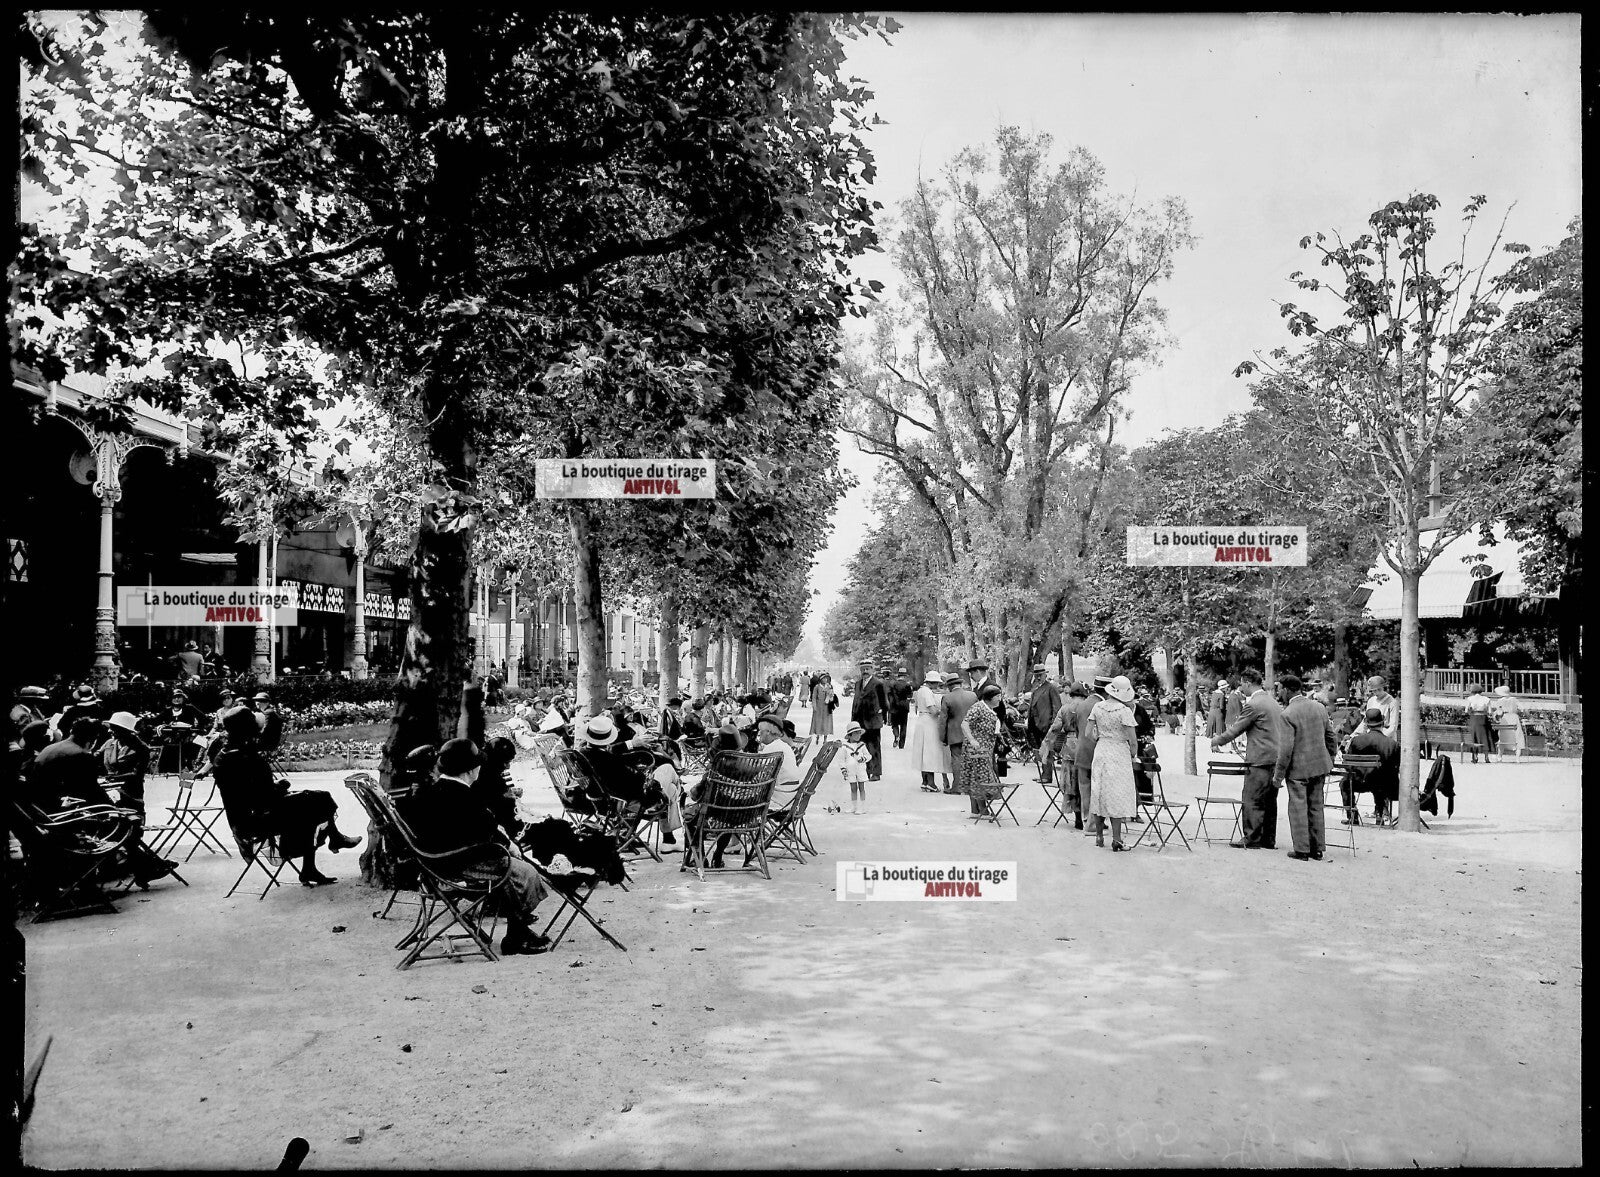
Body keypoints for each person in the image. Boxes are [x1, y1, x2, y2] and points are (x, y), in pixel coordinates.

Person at [399, 737, 553, 956]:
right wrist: (508, 845)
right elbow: (485, 829)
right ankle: (516, 937)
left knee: (513, 869)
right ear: (470, 770)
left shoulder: (438, 790)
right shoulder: (461, 795)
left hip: (438, 860)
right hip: (456, 863)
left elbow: (479, 828)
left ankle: (518, 931)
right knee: (525, 872)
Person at [211, 706, 361, 885]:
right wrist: (282, 786)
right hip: (257, 819)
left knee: (314, 801)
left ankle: (321, 856)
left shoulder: (224, 754)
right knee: (318, 802)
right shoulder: (245, 758)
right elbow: (264, 796)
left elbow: (252, 792)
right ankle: (327, 848)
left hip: (242, 819)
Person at [1209, 667, 1285, 850]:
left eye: (1242, 684)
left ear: (1248, 683)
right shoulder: (1274, 702)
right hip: (1275, 758)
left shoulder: (1254, 705)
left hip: (1259, 758)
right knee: (1270, 800)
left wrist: (1217, 740)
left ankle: (1251, 838)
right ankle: (1268, 838)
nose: (1241, 688)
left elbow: (1237, 729)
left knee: (1252, 798)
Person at [1274, 674, 1337, 861]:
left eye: (1279, 689)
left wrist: (1278, 776)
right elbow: (1331, 737)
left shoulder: (1287, 714)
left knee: (1298, 807)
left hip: (1298, 770)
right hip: (1319, 765)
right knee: (1316, 806)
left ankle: (1302, 849)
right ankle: (1317, 848)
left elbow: (1285, 750)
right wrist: (1330, 759)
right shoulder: (1319, 707)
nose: (1278, 693)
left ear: (1286, 690)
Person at [1087, 676, 1140, 851]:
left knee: (1099, 791)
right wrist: (1132, 754)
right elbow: (1133, 740)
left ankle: (1099, 835)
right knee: (1116, 794)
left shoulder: (1097, 707)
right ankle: (1116, 839)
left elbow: (1089, 733)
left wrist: (1101, 739)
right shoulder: (1124, 711)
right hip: (1119, 752)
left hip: (1102, 749)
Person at [1041, 682, 1089, 830]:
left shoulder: (1065, 708)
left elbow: (1054, 729)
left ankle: (1077, 817)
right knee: (1087, 780)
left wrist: (1046, 746)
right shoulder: (1088, 707)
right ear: (1083, 695)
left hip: (1069, 746)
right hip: (1086, 745)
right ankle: (1091, 817)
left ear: (1070, 694)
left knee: (1071, 783)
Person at [957, 682, 1005, 817]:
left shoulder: (988, 709)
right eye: (998, 696)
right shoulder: (978, 707)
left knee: (976, 777)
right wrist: (972, 740)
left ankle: (976, 810)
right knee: (980, 778)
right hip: (978, 749)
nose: (1000, 699)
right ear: (990, 697)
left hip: (985, 749)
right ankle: (983, 810)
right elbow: (965, 724)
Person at [1346, 707, 1400, 823]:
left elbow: (1349, 766)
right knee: (1380, 778)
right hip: (1384, 786)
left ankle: (1352, 815)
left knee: (1344, 783)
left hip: (1359, 783)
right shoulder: (1393, 744)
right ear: (1383, 722)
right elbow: (1396, 768)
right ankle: (1379, 814)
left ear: (1366, 723)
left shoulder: (1356, 741)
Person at [101, 711, 153, 826]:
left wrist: (112, 778)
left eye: (113, 728)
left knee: (130, 824)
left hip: (130, 793)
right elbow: (95, 759)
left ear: (124, 730)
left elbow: (136, 774)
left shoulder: (141, 748)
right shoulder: (109, 743)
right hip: (108, 790)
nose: (109, 731)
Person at [908, 670, 952, 792]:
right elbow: (933, 710)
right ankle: (931, 782)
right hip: (929, 721)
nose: (937, 686)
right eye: (936, 683)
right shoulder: (927, 692)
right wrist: (942, 711)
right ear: (931, 683)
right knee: (930, 752)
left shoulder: (920, 691)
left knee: (923, 751)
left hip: (922, 720)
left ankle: (925, 781)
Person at [939, 671, 979, 797]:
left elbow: (943, 720)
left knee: (956, 760)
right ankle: (970, 787)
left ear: (949, 686)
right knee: (971, 759)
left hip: (954, 734)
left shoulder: (947, 698)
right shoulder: (972, 696)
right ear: (960, 683)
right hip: (971, 733)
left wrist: (943, 737)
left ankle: (956, 787)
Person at [850, 659, 890, 781]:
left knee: (874, 747)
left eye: (867, 669)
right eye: (863, 669)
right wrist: (853, 720)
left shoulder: (878, 684)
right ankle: (865, 771)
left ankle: (876, 772)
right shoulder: (857, 684)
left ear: (872, 670)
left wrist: (883, 717)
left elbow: (885, 703)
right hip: (859, 721)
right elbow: (855, 702)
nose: (865, 671)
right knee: (861, 747)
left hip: (873, 720)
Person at [1026, 664, 1063, 783]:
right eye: (1036, 675)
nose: (1037, 678)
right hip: (1035, 725)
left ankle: (1047, 776)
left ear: (1045, 675)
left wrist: (1053, 725)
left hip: (1046, 725)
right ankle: (1043, 774)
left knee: (1047, 751)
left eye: (1040, 675)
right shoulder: (1036, 689)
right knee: (1039, 751)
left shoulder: (1051, 688)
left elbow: (1057, 707)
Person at [839, 721, 870, 812]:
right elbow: (841, 759)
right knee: (853, 788)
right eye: (855, 733)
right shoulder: (845, 747)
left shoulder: (862, 745)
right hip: (850, 770)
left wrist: (863, 759)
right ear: (849, 735)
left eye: (859, 733)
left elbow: (869, 756)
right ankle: (854, 806)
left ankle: (862, 807)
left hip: (860, 769)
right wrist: (843, 769)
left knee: (861, 787)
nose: (858, 735)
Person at [1490, 685, 1525, 759]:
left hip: (1505, 718)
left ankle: (1500, 756)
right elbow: (1523, 708)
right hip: (1514, 717)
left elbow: (1498, 712)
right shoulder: (1515, 700)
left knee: (1502, 738)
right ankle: (1517, 758)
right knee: (1518, 737)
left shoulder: (1500, 701)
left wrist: (1496, 718)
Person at [1463, 682, 1494, 763]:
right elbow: (1490, 712)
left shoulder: (1470, 699)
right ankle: (1486, 757)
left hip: (1474, 718)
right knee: (1485, 737)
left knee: (1474, 737)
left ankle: (1475, 756)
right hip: (1483, 718)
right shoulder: (1487, 699)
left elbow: (1466, 711)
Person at [1363, 676, 1398, 740]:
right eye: (1374, 691)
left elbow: (1393, 727)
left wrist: (1380, 738)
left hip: (1387, 738)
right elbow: (1365, 722)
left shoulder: (1392, 702)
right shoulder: (1371, 701)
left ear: (1383, 688)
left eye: (1379, 689)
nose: (1377, 692)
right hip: (1371, 737)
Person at [888, 668, 913, 749]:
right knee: (903, 725)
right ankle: (901, 745)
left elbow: (890, 695)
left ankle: (896, 736)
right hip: (904, 708)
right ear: (905, 676)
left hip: (894, 707)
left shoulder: (893, 684)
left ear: (898, 675)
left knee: (894, 724)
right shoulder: (907, 685)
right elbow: (910, 695)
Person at [809, 673, 837, 738]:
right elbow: (814, 697)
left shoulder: (829, 686)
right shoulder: (817, 687)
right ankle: (818, 734)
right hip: (819, 706)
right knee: (818, 720)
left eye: (826, 678)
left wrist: (830, 696)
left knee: (826, 721)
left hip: (827, 707)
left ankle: (825, 737)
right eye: (824, 678)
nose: (825, 680)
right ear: (820, 679)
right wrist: (814, 706)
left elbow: (832, 696)